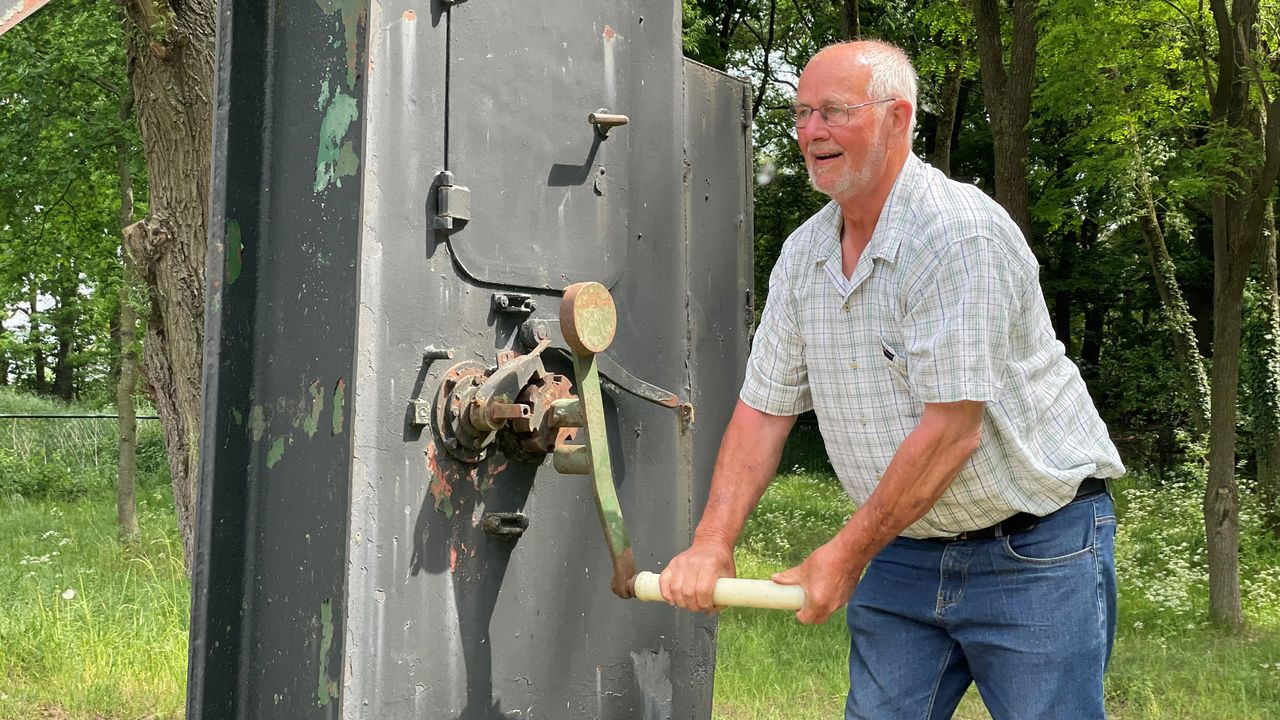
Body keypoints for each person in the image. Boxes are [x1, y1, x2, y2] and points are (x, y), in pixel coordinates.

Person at [658, 40, 1125, 720]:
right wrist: (711, 542)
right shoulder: (804, 257)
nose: (811, 131)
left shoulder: (957, 234)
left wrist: (845, 556)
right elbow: (764, 412)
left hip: (1036, 550)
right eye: (802, 112)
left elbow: (952, 432)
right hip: (906, 549)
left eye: (834, 112)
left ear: (898, 118)